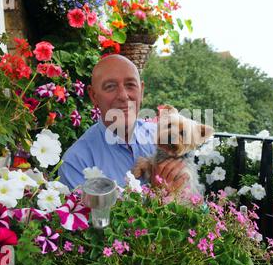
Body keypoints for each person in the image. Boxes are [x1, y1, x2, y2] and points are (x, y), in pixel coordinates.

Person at [58, 54, 189, 190]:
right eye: (110, 87)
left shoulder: (162, 137)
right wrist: (159, 193)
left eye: (130, 85)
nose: (123, 95)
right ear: (93, 96)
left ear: (142, 91)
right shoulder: (76, 163)